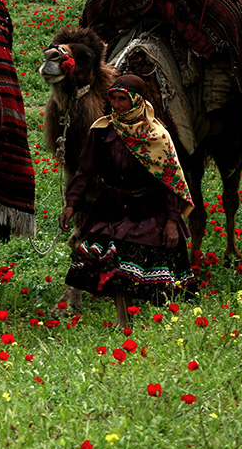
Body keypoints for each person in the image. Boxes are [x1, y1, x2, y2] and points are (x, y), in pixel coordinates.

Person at [59, 74, 197, 326]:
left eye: (122, 99)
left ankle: (144, 318)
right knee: (115, 265)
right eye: (113, 98)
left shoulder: (157, 135)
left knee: (141, 272)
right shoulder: (102, 131)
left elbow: (171, 180)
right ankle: (124, 320)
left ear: (136, 101)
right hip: (110, 207)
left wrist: (173, 220)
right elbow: (85, 170)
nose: (116, 104)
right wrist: (71, 203)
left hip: (146, 208)